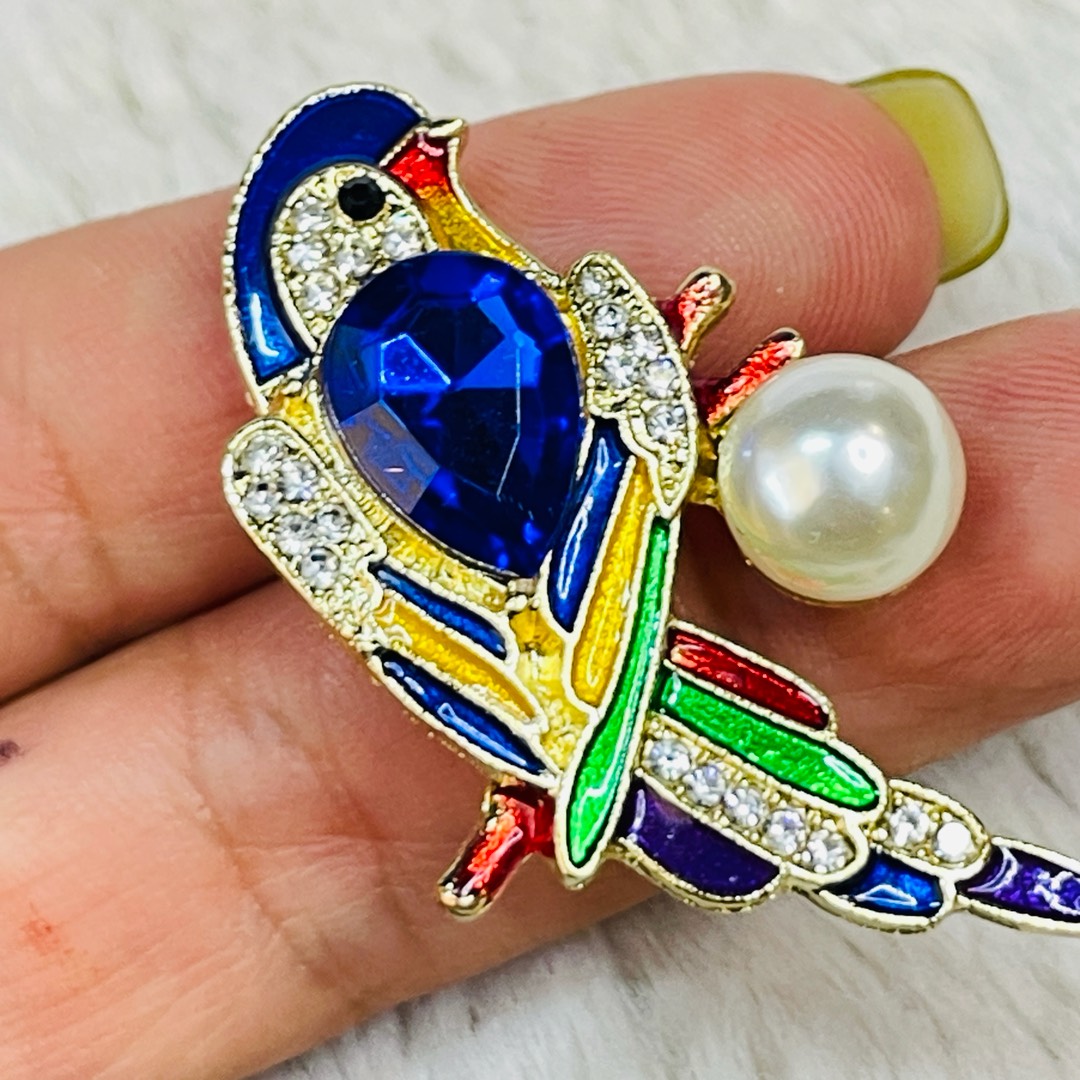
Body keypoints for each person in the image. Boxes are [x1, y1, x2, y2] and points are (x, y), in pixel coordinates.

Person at [1, 71, 1076, 1079]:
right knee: (775, 785)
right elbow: (409, 632)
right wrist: (572, 709)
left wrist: (571, 716)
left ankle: (901, 847)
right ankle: (913, 850)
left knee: (731, 769)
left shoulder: (511, 324)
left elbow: (605, 495)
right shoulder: (293, 455)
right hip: (544, 668)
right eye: (380, 193)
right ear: (311, 240)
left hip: (562, 668)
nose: (430, 190)